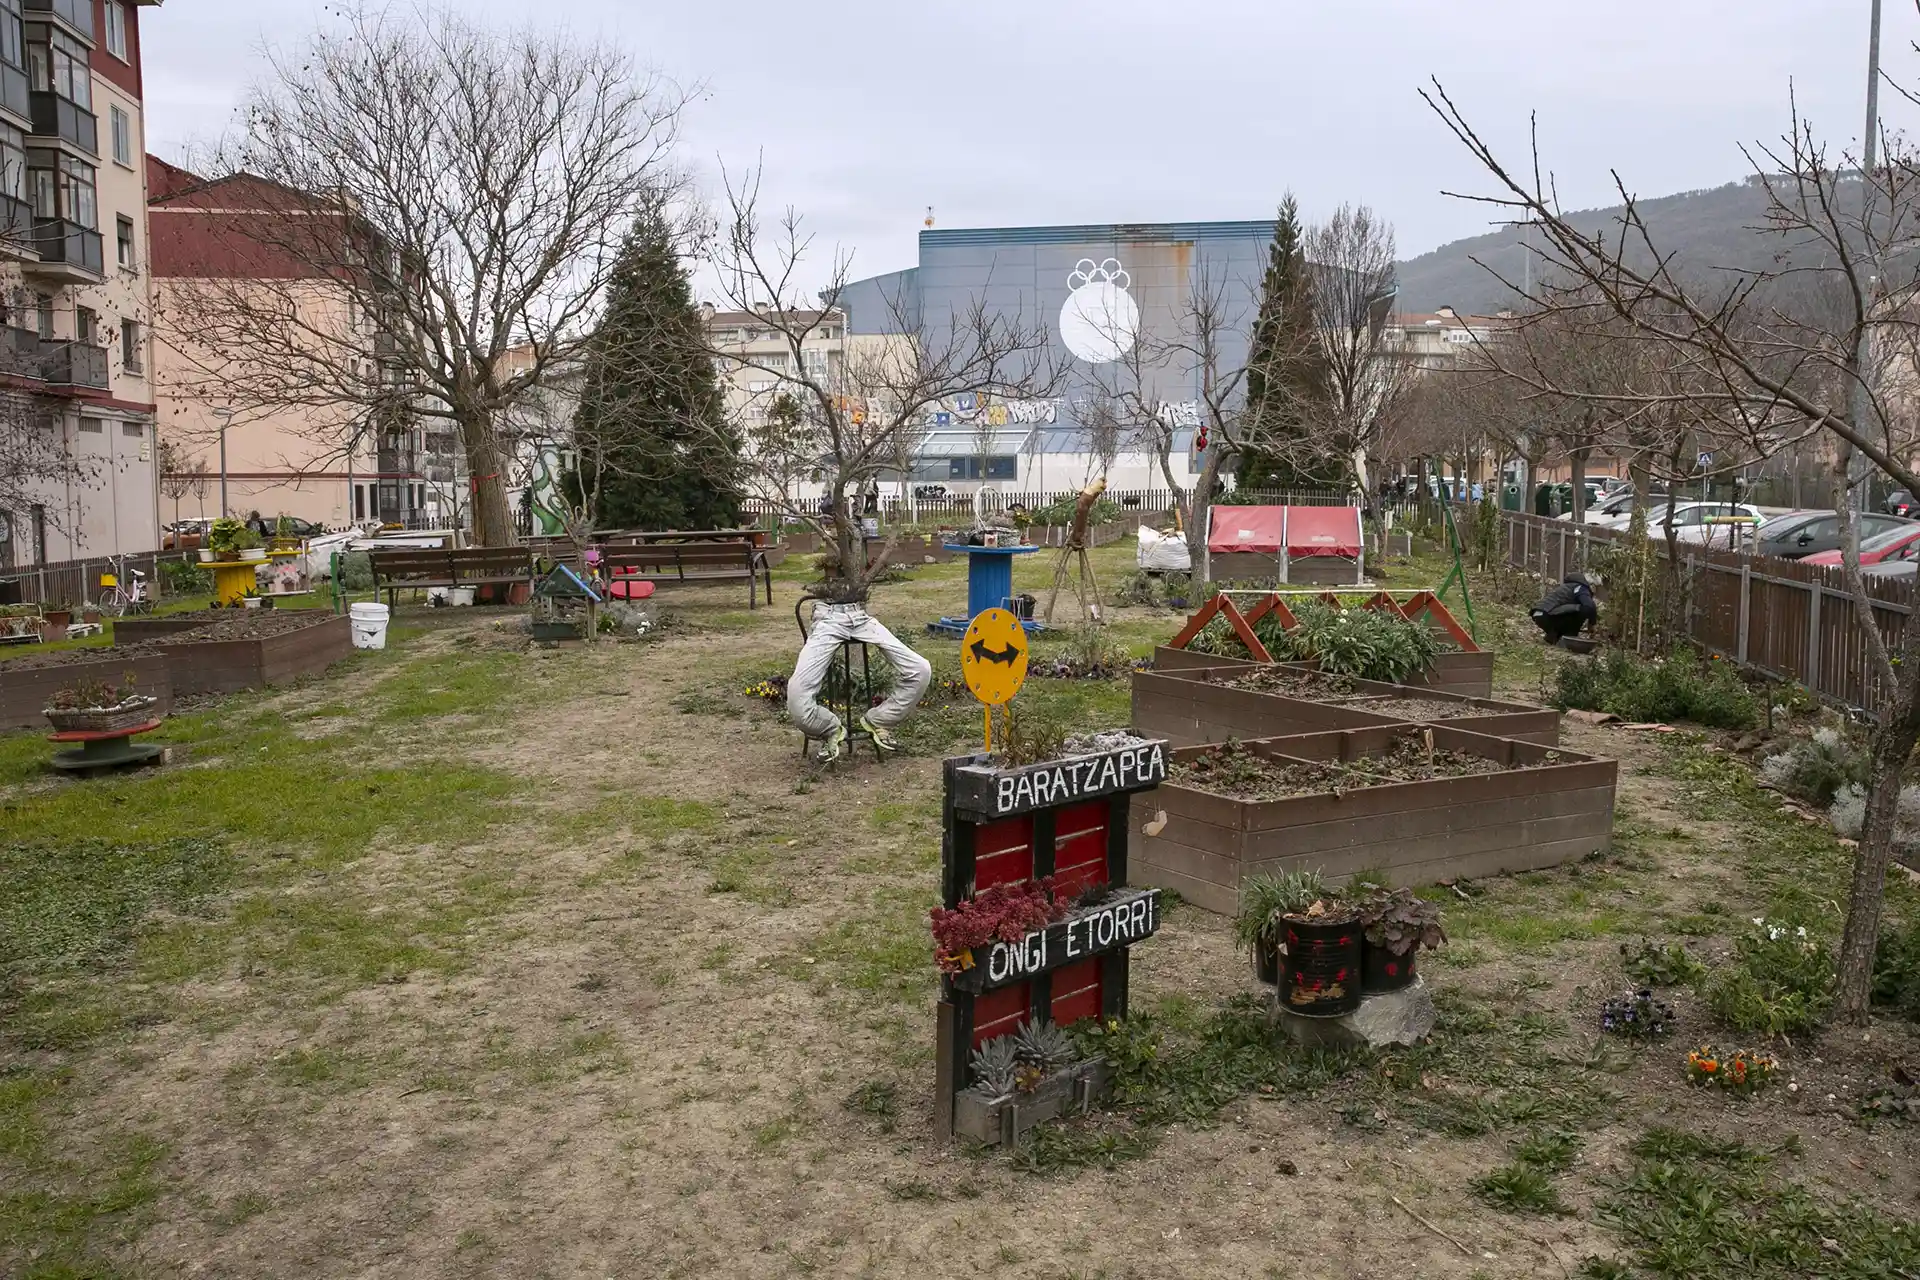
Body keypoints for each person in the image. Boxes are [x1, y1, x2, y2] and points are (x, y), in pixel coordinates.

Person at [787, 541, 932, 762]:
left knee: (920, 669)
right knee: (796, 695)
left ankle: (879, 721)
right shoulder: (833, 533)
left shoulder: (856, 538)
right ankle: (830, 729)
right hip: (828, 618)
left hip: (860, 617)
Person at [1531, 573, 1598, 644]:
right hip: (1548, 614)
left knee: (1570, 611)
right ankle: (1570, 638)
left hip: (1538, 614)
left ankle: (1552, 637)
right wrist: (1592, 624)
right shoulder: (1581, 588)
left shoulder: (1567, 587)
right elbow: (1589, 606)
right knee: (1582, 610)